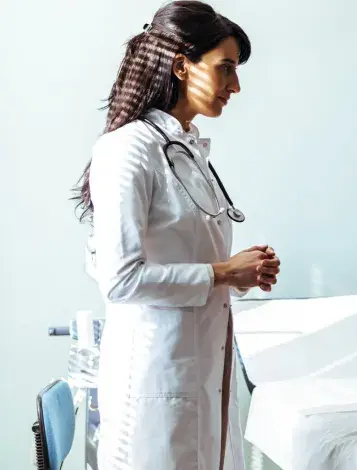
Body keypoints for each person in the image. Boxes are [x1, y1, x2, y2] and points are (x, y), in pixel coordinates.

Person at [70, 2, 278, 469]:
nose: (236, 86)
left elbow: (183, 248)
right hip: (154, 375)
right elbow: (120, 279)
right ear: (182, 65)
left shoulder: (185, 147)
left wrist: (244, 272)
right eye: (225, 69)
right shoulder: (127, 150)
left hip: (201, 370)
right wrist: (224, 271)